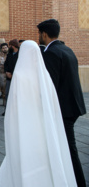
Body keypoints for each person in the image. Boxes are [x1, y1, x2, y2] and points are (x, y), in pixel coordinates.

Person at [0, 40, 76, 187]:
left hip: (25, 124)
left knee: (25, 153)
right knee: (42, 154)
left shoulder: (19, 75)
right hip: (42, 123)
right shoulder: (44, 75)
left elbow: (13, 106)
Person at [38, 19, 87, 187]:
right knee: (65, 147)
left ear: (44, 34)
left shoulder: (50, 53)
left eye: (39, 34)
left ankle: (78, 182)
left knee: (68, 149)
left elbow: (50, 86)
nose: (39, 37)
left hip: (63, 110)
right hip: (73, 106)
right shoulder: (67, 49)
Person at [2, 39, 19, 116]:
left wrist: (13, 74)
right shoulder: (9, 55)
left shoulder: (20, 55)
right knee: (7, 94)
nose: (9, 47)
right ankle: (7, 111)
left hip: (16, 79)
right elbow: (5, 65)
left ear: (13, 46)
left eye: (10, 46)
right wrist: (6, 72)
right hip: (8, 78)